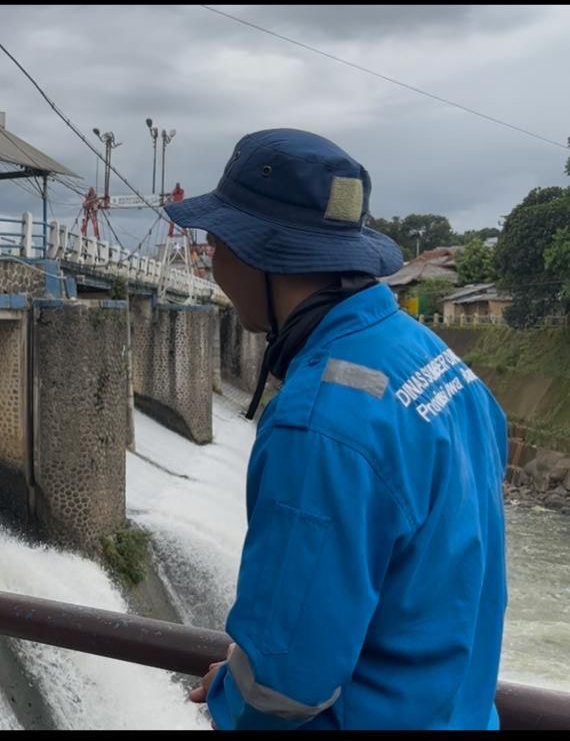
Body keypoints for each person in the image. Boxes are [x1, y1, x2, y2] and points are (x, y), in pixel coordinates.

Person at [166, 129, 508, 730]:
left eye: (217, 239)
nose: (211, 256)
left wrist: (231, 695)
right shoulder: (438, 362)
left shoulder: (319, 423)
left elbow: (282, 682)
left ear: (262, 254)